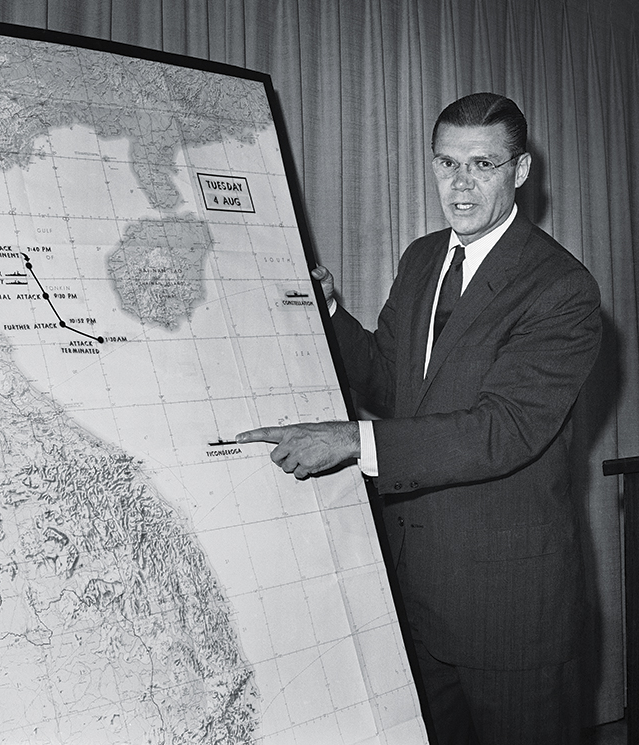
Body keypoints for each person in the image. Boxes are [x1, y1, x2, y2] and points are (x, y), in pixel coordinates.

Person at [236, 92, 602, 745]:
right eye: (446, 164)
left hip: (510, 615)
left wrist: (353, 441)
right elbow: (387, 377)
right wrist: (327, 316)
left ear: (519, 171)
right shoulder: (422, 258)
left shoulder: (561, 288)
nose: (459, 185)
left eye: (482, 165)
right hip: (415, 600)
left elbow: (502, 429)